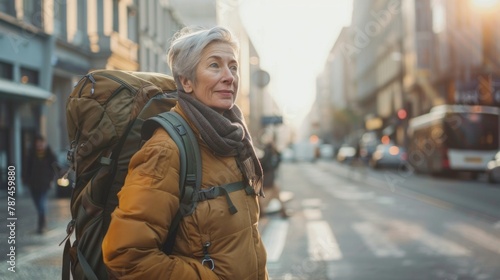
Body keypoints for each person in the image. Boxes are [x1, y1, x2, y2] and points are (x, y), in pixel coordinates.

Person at [102, 26, 268, 279]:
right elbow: (126, 254)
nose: (229, 77)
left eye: (233, 67)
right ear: (186, 82)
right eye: (215, 65)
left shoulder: (233, 140)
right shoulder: (165, 150)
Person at [23, 134, 57, 234]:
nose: (39, 145)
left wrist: (51, 179)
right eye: (38, 143)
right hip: (33, 183)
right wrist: (26, 179)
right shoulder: (31, 153)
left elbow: (54, 167)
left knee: (41, 203)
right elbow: (27, 167)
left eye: (41, 143)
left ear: (44, 143)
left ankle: (41, 224)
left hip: (44, 183)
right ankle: (42, 220)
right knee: (37, 203)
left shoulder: (49, 154)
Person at [258, 141, 290, 218]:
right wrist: (273, 151)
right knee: (264, 201)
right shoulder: (265, 161)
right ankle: (261, 213)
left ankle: (283, 212)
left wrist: (276, 152)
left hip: (270, 183)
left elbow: (278, 160)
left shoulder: (267, 160)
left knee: (278, 197)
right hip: (267, 184)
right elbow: (273, 163)